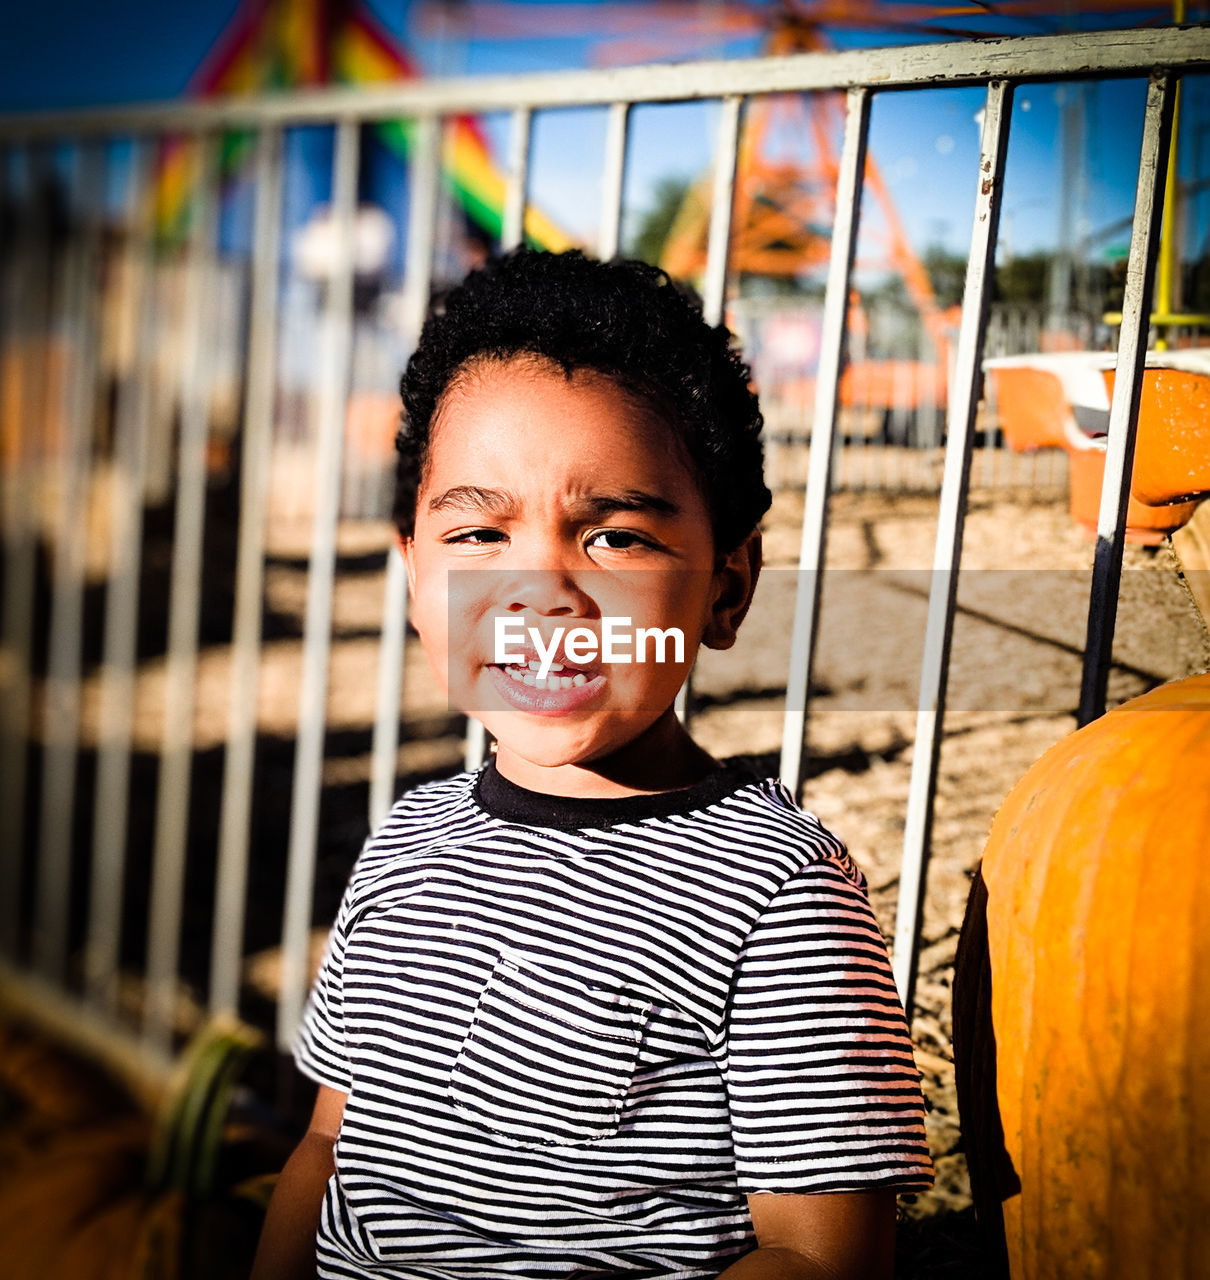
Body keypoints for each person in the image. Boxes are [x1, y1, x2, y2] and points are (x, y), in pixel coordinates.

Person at [251, 249, 933, 1280]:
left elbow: (817, 1254)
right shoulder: (403, 842)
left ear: (726, 588)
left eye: (613, 537)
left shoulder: (779, 894)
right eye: (479, 532)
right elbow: (325, 1148)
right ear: (412, 578)